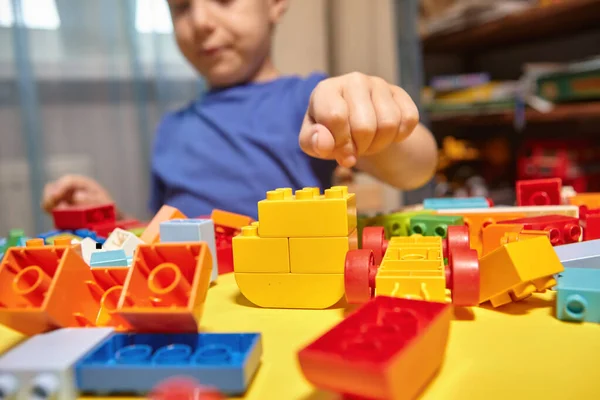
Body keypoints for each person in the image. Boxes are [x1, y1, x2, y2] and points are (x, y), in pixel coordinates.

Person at [41, 0, 438, 221]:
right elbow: (164, 230)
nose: (200, 22)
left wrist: (376, 121)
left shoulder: (311, 100)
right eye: (181, 7)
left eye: (224, 0)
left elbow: (416, 167)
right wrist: (112, 219)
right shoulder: (172, 129)